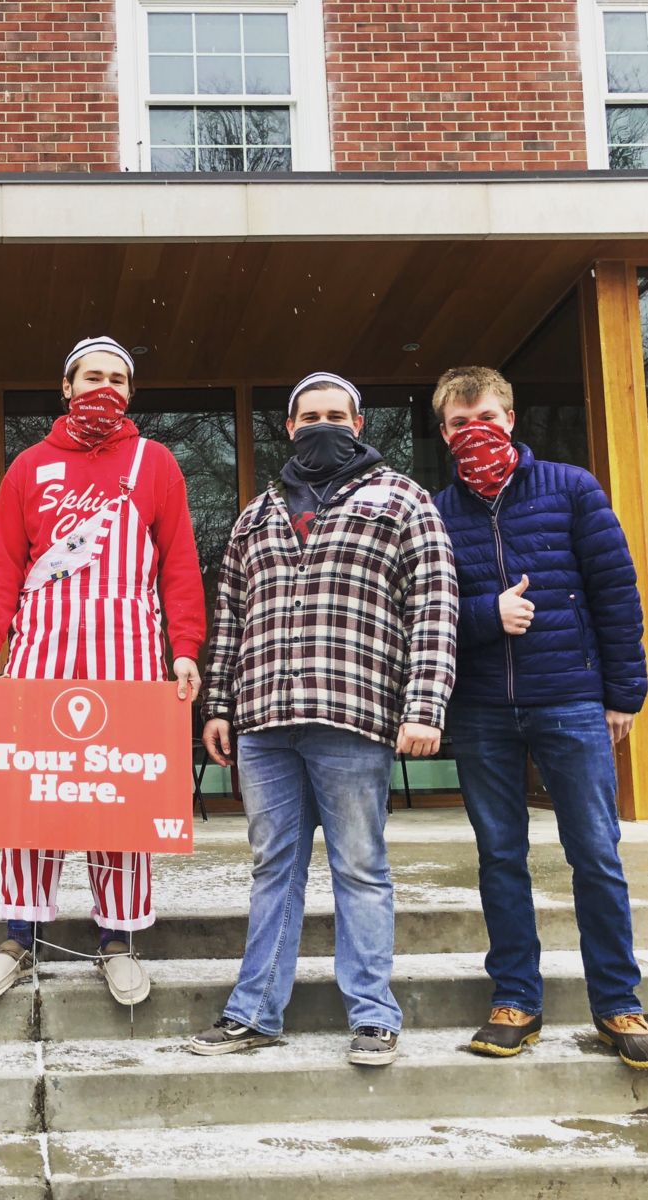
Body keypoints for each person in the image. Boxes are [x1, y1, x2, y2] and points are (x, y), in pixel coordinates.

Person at [189, 371, 458, 1066]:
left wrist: (423, 707)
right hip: (265, 720)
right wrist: (217, 706)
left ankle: (373, 1016)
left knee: (360, 869)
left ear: (358, 425)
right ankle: (254, 1011)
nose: (322, 425)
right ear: (288, 426)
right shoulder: (256, 514)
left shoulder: (402, 500)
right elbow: (229, 619)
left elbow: (432, 610)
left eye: (335, 415)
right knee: (271, 867)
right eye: (309, 416)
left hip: (352, 715)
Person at [0, 336, 205, 1006]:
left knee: (121, 793)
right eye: (92, 377)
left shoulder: (153, 462)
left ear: (130, 394)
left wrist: (183, 647)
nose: (105, 388)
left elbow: (178, 566)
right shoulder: (30, 467)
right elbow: (4, 563)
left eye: (118, 379)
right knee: (31, 789)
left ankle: (117, 938)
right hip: (41, 642)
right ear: (65, 387)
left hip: (128, 642)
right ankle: (19, 933)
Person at [431, 365, 648, 1069]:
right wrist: (484, 617)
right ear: (443, 432)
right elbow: (425, 618)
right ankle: (515, 999)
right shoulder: (432, 512)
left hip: (570, 699)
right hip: (481, 710)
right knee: (500, 857)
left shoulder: (572, 489)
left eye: (486, 417)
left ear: (510, 420)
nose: (475, 432)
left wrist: (623, 693)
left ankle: (617, 999)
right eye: (461, 423)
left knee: (594, 854)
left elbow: (615, 592)